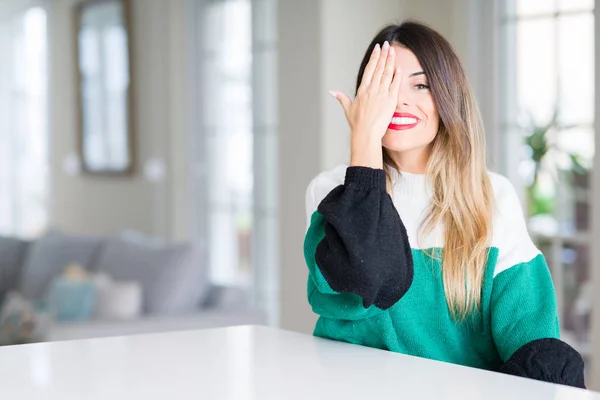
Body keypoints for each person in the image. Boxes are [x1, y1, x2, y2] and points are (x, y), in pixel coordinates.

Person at [303, 21, 585, 388]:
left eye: (420, 85)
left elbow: (529, 328)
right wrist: (365, 144)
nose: (400, 101)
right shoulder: (332, 191)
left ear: (447, 98)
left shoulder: (492, 195)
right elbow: (365, 281)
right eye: (385, 85)